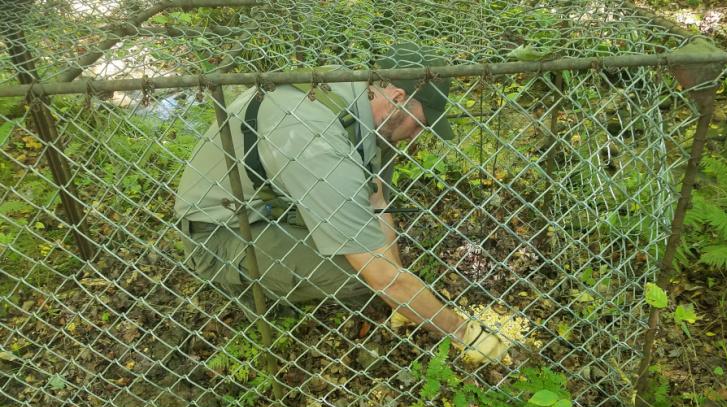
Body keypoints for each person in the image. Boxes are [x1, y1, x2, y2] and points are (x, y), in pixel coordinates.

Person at [174, 43, 509, 364]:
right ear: (397, 98)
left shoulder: (355, 97)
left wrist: (398, 285)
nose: (416, 136)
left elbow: (376, 199)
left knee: (378, 267)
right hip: (221, 234)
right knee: (358, 274)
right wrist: (464, 333)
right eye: (420, 124)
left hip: (269, 206)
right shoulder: (315, 141)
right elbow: (381, 277)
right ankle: (255, 294)